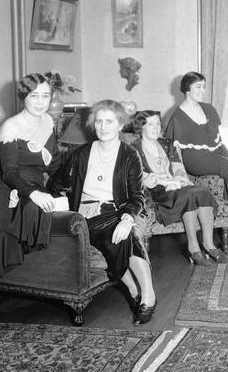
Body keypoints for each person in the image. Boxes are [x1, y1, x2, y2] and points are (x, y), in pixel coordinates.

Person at [0, 73, 62, 327]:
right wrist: (34, 193)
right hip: (1, 184)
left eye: (45, 96)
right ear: (23, 97)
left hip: (31, 183)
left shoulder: (48, 121)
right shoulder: (11, 127)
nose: (40, 102)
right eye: (33, 95)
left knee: (31, 213)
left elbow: (55, 162)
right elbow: (9, 172)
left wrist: (55, 176)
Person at [50, 99, 156, 326]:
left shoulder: (129, 155)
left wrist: (127, 219)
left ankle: (144, 295)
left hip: (116, 210)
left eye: (109, 121)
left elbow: (137, 195)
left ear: (120, 125)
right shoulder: (80, 154)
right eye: (99, 121)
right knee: (120, 233)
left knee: (124, 233)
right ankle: (139, 291)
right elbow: (56, 185)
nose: (103, 126)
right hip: (85, 215)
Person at [165, 71, 228, 244]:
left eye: (204, 86)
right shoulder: (177, 116)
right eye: (198, 87)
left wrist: (226, 155)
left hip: (215, 154)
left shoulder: (208, 109)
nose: (203, 90)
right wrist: (181, 174)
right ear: (187, 89)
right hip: (195, 159)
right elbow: (175, 151)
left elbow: (217, 139)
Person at [132, 110, 224, 265]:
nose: (156, 128)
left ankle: (208, 244)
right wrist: (160, 182)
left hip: (176, 187)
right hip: (156, 192)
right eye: (150, 124)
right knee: (189, 195)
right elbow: (136, 176)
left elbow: (178, 166)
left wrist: (178, 178)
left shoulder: (166, 144)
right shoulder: (133, 148)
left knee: (202, 192)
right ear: (141, 127)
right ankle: (193, 248)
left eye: (158, 124)